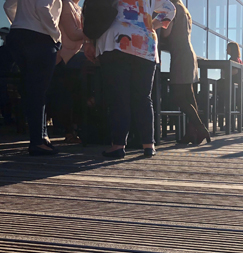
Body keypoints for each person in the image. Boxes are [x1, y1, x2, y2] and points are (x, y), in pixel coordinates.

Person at [84, 0, 175, 158]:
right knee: (143, 97)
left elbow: (94, 11)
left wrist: (89, 41)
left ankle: (118, 145)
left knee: (119, 97)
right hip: (145, 43)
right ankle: (148, 145)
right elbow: (171, 9)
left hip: (116, 41)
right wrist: (152, 24)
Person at [4, 0, 62, 155]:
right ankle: (38, 141)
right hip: (40, 38)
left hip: (17, 36)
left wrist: (20, 22)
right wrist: (56, 35)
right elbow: (42, 8)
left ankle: (41, 137)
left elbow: (8, 6)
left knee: (29, 89)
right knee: (38, 91)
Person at [161, 0, 210, 145]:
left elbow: (165, 32)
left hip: (181, 56)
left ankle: (200, 128)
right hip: (189, 54)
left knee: (177, 97)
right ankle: (191, 133)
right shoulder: (184, 9)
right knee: (189, 97)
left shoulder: (172, 8)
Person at [49, 0, 84, 143]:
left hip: (77, 57)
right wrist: (96, 31)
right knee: (70, 96)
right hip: (67, 58)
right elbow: (73, 34)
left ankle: (78, 130)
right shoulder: (64, 4)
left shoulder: (78, 8)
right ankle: (70, 131)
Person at [217, 42, 243, 131]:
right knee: (239, 104)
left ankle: (227, 122)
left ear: (232, 49)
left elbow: (234, 72)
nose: (226, 50)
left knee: (231, 102)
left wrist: (225, 72)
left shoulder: (234, 60)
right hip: (239, 86)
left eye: (228, 48)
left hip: (235, 86)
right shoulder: (237, 59)